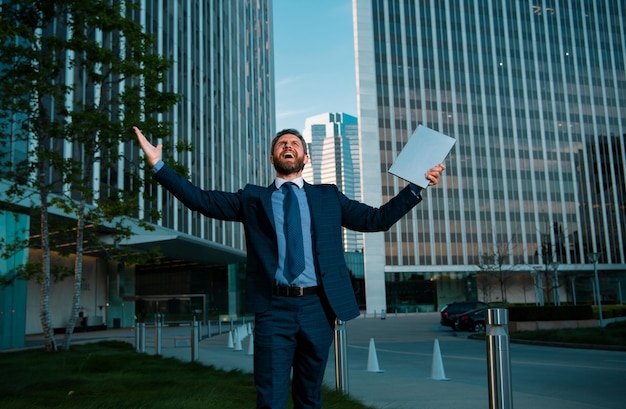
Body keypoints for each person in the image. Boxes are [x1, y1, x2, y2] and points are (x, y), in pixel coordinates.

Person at [133, 126, 445, 409]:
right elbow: (200, 200)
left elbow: (377, 220)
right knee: (269, 397)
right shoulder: (252, 198)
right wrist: (159, 166)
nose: (288, 146)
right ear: (273, 156)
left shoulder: (329, 196)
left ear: (305, 157)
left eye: (295, 143)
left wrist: (416, 187)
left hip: (318, 308)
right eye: (282, 143)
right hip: (273, 309)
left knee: (309, 397)